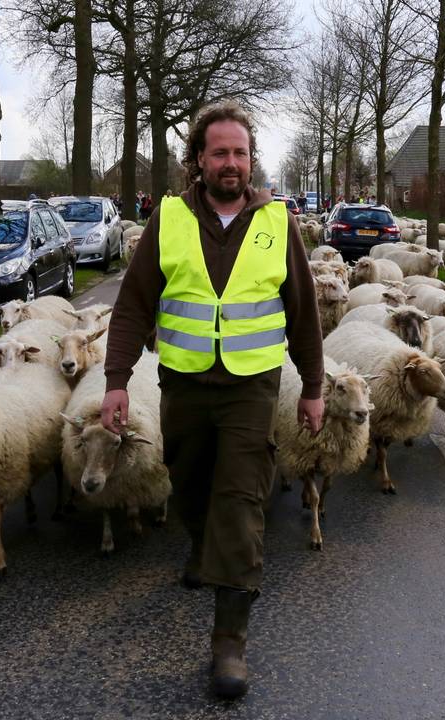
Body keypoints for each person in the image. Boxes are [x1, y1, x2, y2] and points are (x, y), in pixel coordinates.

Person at [101, 100, 324, 700]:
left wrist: (314, 387)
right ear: (198, 159)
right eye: (220, 152)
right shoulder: (168, 220)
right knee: (190, 483)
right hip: (184, 382)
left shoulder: (280, 223)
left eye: (241, 153)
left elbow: (303, 312)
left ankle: (229, 642)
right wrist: (117, 379)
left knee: (240, 499)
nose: (232, 163)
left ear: (252, 161)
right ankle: (202, 548)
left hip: (252, 386)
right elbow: (133, 304)